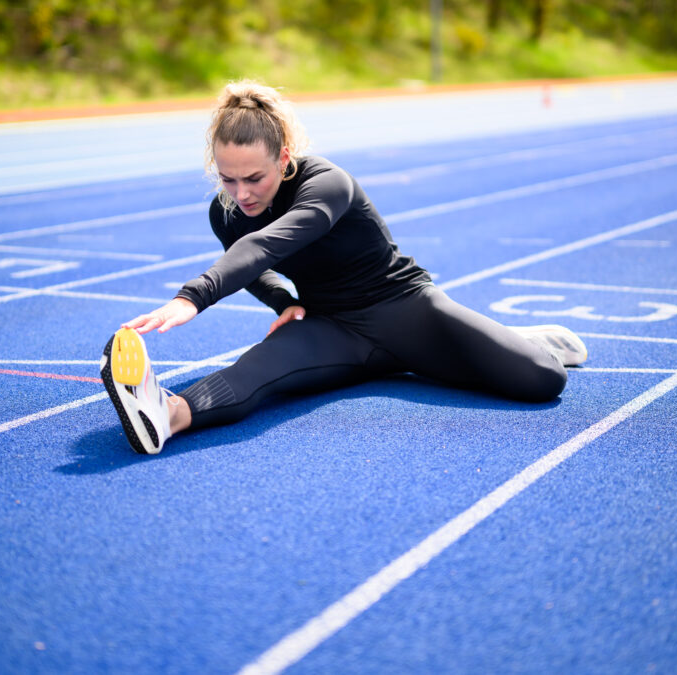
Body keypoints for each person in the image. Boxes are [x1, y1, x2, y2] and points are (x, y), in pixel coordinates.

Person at [100, 80, 587, 455]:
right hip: (331, 328)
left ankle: (529, 341)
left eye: (254, 178)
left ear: (284, 158)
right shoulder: (226, 213)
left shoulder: (328, 183)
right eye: (227, 179)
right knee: (256, 370)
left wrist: (194, 296)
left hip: (406, 311)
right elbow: (257, 271)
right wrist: (285, 303)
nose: (241, 193)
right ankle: (165, 413)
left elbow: (268, 246)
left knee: (543, 380)